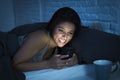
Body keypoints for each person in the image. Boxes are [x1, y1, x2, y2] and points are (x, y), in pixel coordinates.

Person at [12, 7, 83, 80]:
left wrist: (73, 60)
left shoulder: (57, 45)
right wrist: (48, 64)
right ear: (53, 26)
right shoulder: (42, 37)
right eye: (61, 30)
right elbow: (15, 65)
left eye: (70, 33)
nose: (65, 36)